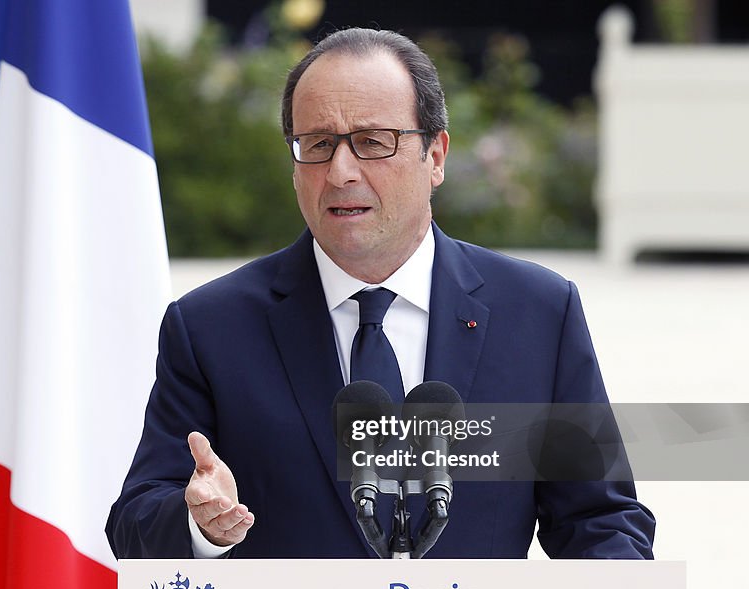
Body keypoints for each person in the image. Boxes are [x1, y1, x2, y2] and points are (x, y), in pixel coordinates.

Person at [106, 27, 654, 559]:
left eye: (372, 142)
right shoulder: (211, 327)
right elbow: (135, 524)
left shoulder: (538, 313)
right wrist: (202, 526)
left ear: (435, 156)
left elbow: (599, 519)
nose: (341, 171)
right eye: (317, 145)